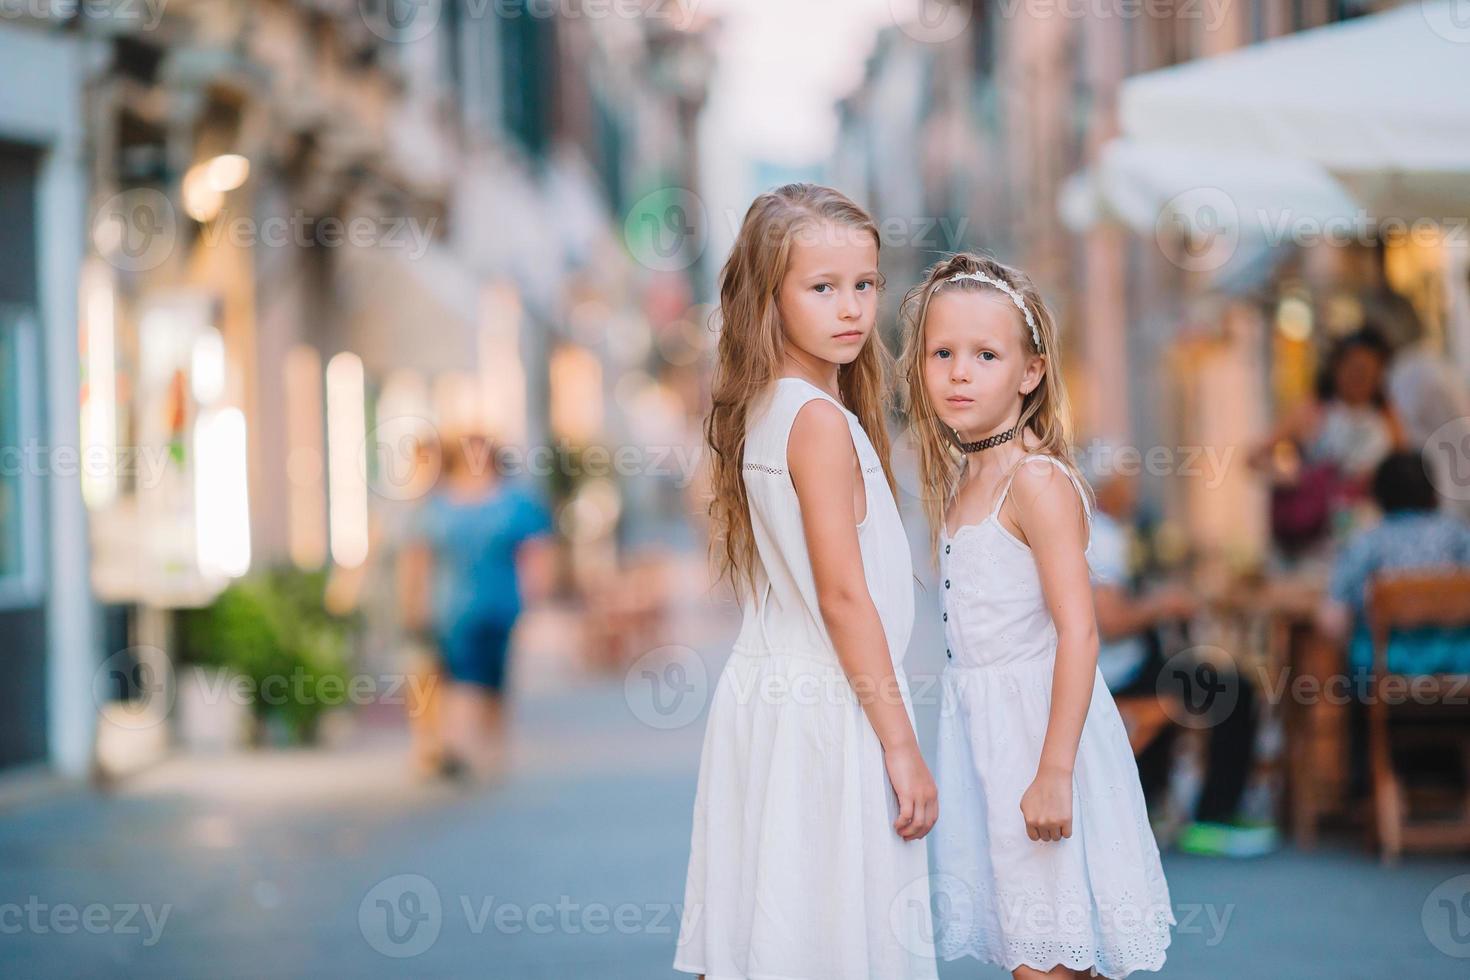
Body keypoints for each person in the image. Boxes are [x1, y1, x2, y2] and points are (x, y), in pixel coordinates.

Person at [674, 184, 938, 980]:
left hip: (769, 700)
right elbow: (843, 595)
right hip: (830, 702)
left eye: (864, 285)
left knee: (783, 932)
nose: (851, 308)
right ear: (769, 296)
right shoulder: (818, 422)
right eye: (822, 288)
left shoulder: (766, 408)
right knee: (836, 940)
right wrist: (902, 746)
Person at [899, 253, 1172, 978]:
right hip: (982, 735)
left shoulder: (1036, 480)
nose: (960, 372)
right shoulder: (965, 480)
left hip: (1039, 735)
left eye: (985, 355)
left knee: (1046, 959)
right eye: (942, 353)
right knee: (1038, 954)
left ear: (1030, 372)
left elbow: (1080, 630)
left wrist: (1053, 770)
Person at [1081, 450, 1275, 859]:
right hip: (1118, 670)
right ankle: (1212, 816)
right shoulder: (1105, 535)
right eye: (1125, 481)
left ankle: (1159, 803)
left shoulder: (1099, 530)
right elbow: (1112, 622)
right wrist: (1165, 603)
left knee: (1194, 679)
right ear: (1107, 489)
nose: (1133, 490)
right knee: (1232, 689)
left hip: (1115, 667)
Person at [398, 431, 555, 780]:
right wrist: (415, 602)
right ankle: (461, 747)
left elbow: (537, 549)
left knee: (495, 678)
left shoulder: (514, 502)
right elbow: (419, 556)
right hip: (452, 607)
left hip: (500, 605)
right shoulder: (439, 505)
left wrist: (537, 591)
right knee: (461, 676)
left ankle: (491, 748)